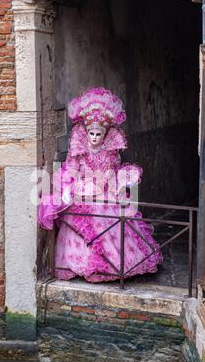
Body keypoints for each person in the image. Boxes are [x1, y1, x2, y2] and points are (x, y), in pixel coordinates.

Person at [38, 87, 163, 283]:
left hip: (105, 192)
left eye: (98, 134)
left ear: (105, 134)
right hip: (82, 191)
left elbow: (114, 170)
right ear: (86, 132)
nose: (94, 137)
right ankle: (81, 264)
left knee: (113, 219)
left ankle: (112, 266)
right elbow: (71, 170)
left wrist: (121, 181)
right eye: (91, 133)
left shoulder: (110, 151)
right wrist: (68, 189)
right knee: (81, 219)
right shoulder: (78, 148)